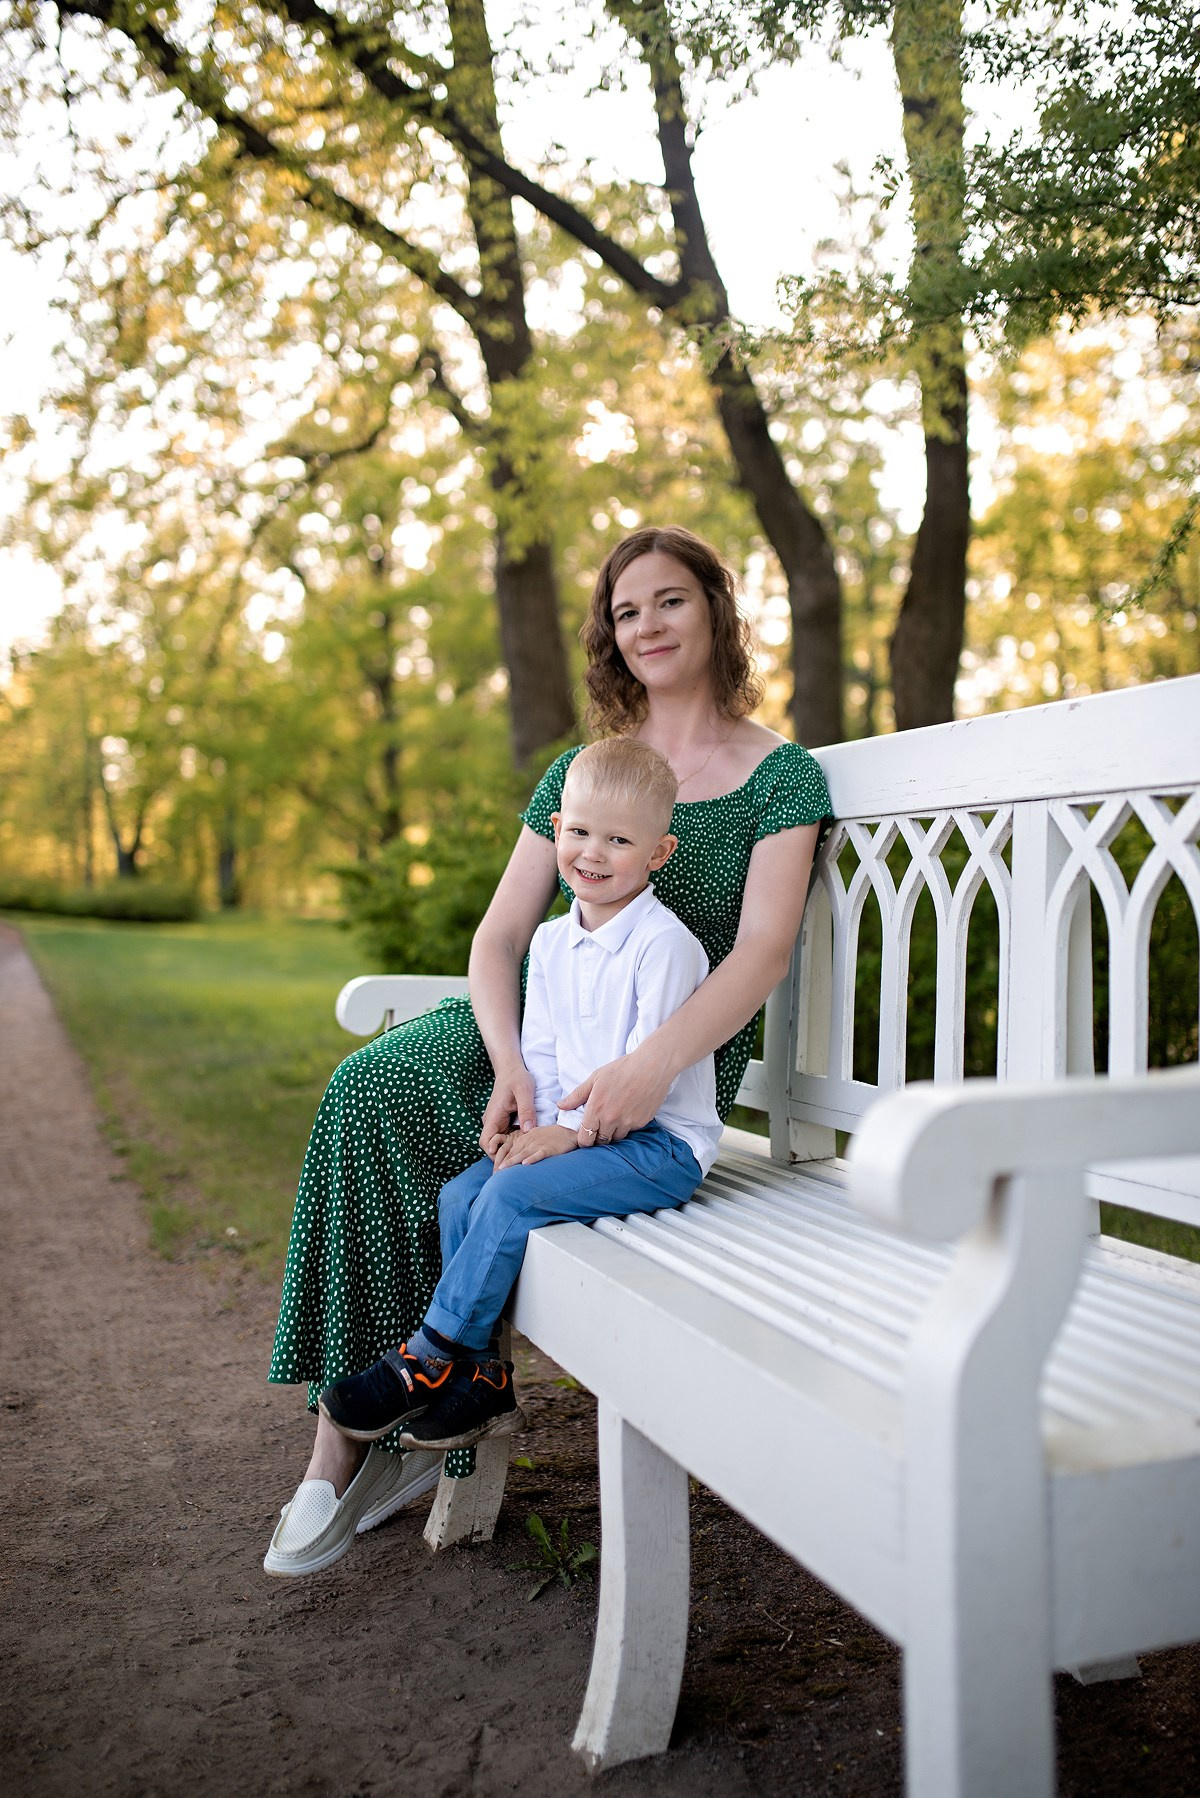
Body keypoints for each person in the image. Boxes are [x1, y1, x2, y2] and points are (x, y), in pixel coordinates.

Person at [264, 523, 832, 1578]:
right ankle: (358, 1437)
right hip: (536, 1035)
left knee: (451, 1155)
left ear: (716, 610)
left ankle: (391, 1418)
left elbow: (759, 954)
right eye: (626, 610)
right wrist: (511, 1065)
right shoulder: (582, 772)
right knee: (372, 1088)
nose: (648, 625)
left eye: (670, 599)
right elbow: (497, 940)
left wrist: (649, 1067)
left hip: (654, 1058)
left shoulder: (780, 777)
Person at [312, 738, 723, 1458]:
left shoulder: (665, 947)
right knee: (462, 1196)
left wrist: (566, 1135)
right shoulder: (551, 943)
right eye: (580, 832)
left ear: (659, 854)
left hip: (659, 1145)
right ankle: (482, 1377)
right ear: (556, 828)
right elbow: (544, 1052)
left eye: (619, 840)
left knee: (507, 1197)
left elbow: (640, 1082)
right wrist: (531, 1123)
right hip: (579, 1134)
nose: (593, 854)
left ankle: (428, 1358)